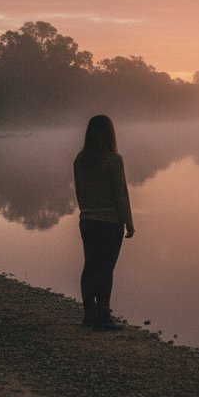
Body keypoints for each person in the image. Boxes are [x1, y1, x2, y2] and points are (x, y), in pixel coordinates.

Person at [73, 115, 135, 329]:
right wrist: (129, 221)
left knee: (90, 266)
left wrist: (86, 211)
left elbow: (79, 192)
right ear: (110, 133)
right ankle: (104, 316)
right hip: (110, 223)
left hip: (87, 221)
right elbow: (120, 195)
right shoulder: (113, 160)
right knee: (106, 269)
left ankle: (89, 314)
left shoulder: (80, 159)